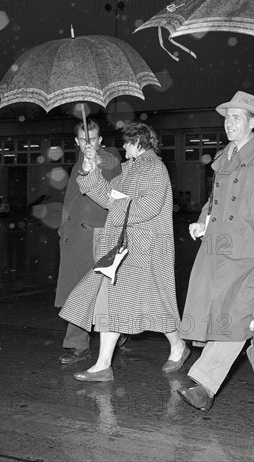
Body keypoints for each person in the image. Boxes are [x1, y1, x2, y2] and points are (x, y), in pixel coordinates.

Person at [176, 90, 254, 412]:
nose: (229, 123)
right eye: (226, 117)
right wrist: (203, 221)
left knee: (237, 314)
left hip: (253, 252)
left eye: (236, 117)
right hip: (220, 249)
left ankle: (204, 383)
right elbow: (214, 201)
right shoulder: (224, 157)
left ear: (252, 122)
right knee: (226, 313)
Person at [59, 122, 187, 381]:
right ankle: (104, 364)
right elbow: (106, 196)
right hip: (125, 248)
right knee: (115, 300)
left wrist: (119, 205)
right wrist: (89, 174)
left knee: (153, 303)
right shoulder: (129, 170)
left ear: (138, 143)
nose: (124, 147)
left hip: (146, 247)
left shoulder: (155, 168)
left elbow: (148, 207)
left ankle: (178, 346)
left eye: (127, 143)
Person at [54, 118, 121, 364]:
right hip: (75, 238)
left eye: (92, 139)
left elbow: (112, 168)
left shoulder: (110, 157)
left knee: (107, 291)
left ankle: (117, 332)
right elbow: (69, 201)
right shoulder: (75, 166)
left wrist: (96, 160)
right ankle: (77, 345)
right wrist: (63, 230)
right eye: (83, 139)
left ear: (100, 140)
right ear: (76, 141)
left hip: (101, 236)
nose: (88, 143)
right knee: (75, 291)